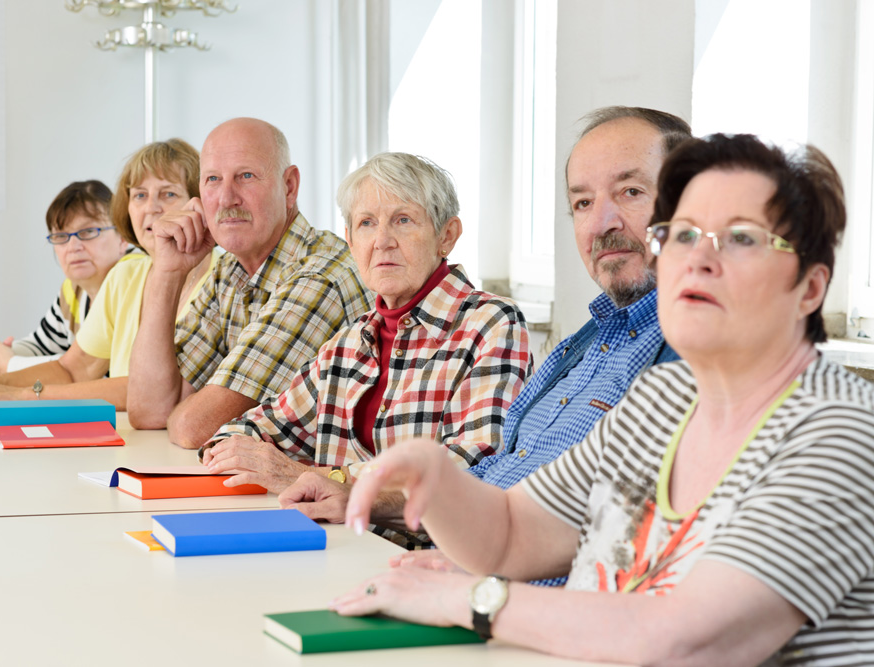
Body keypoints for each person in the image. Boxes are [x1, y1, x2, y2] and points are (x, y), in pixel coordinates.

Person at [332, 134, 874, 666]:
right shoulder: (663, 397)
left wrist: (465, 601)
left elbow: (690, 641)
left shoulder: (841, 432)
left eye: (741, 238)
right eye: (682, 235)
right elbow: (511, 535)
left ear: (810, 287)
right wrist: (436, 476)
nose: (699, 259)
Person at [281, 107, 688, 550]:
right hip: (432, 562)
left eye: (630, 191)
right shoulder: (580, 347)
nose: (602, 223)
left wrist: (343, 481)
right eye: (583, 203)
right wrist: (360, 498)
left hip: (484, 587)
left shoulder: (694, 354)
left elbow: (601, 540)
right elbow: (493, 482)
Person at [200, 153, 533, 546]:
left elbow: (473, 470)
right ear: (350, 241)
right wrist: (239, 454)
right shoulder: (350, 342)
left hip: (428, 566)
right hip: (336, 552)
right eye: (366, 224)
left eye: (404, 220)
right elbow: (243, 432)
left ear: (447, 235)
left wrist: (324, 478)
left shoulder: (492, 323)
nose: (382, 241)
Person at [125, 118, 373, 444]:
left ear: (289, 187)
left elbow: (193, 427)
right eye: (213, 179)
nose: (227, 198)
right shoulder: (230, 269)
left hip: (334, 487)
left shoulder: (320, 275)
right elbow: (148, 410)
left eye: (246, 177)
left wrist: (187, 405)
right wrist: (167, 272)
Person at [0, 139, 218, 410]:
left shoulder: (222, 279)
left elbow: (149, 390)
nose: (151, 208)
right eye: (140, 195)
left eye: (168, 194)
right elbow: (73, 370)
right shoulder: (125, 275)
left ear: (200, 204)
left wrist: (17, 394)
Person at [0, 180, 128, 375]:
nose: (73, 247)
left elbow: (82, 369)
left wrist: (10, 363)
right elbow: (41, 346)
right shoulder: (73, 290)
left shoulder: (130, 279)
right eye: (60, 236)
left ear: (123, 237)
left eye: (87, 232)